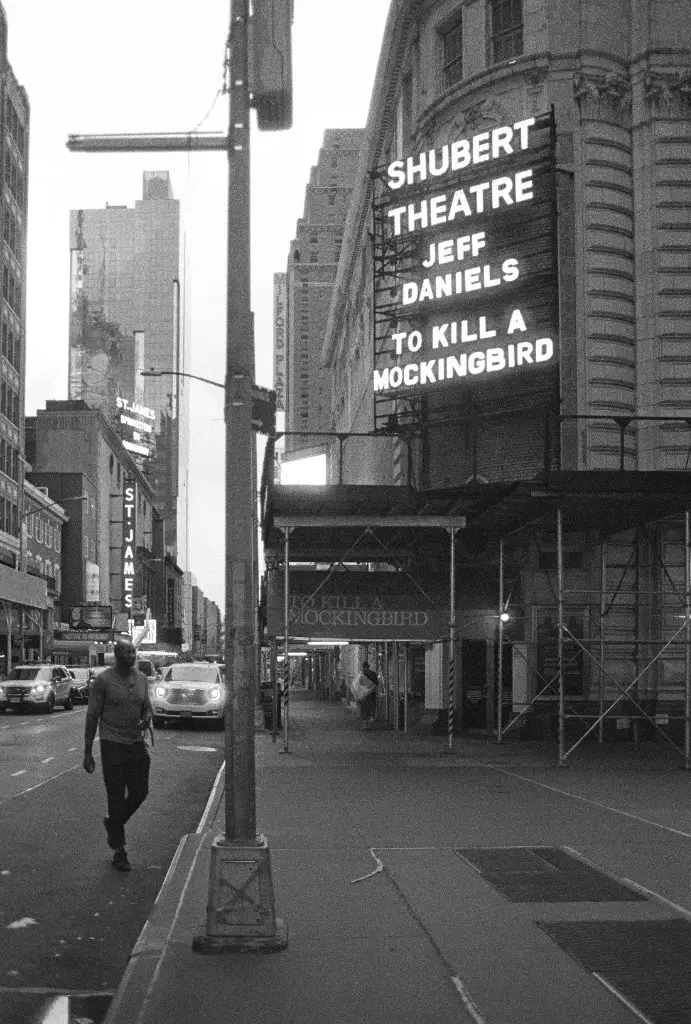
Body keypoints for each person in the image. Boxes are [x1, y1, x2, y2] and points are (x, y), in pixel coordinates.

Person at [83, 640, 153, 872]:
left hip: (135, 742)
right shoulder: (104, 680)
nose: (131, 655)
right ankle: (119, 851)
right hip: (111, 743)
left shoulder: (141, 678)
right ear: (116, 655)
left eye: (133, 651)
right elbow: (92, 715)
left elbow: (147, 707)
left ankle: (113, 823)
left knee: (140, 791)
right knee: (115, 795)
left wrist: (146, 719)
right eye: (125, 652)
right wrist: (87, 752)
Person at [359, 660, 379, 728]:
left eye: (365, 667)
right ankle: (368, 722)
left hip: (366, 694)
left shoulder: (363, 675)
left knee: (366, 708)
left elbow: (360, 684)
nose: (365, 669)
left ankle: (366, 722)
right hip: (370, 694)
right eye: (365, 667)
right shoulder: (372, 674)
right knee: (369, 708)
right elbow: (376, 683)